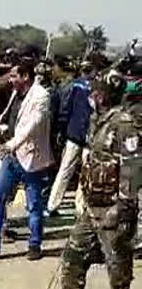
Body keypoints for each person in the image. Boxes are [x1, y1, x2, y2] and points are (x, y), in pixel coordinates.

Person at [40, 76, 141, 289]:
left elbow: (132, 169)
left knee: (118, 271)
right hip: (92, 210)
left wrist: (123, 209)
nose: (90, 97)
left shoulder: (124, 125)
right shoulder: (100, 121)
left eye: (94, 93)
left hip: (114, 212)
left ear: (102, 95)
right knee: (72, 257)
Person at [0, 62, 53, 260]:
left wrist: (11, 144)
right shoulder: (15, 94)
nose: (10, 80)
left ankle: (35, 244)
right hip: (12, 156)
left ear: (25, 76)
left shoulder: (40, 96)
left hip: (30, 157)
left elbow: (32, 126)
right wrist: (0, 128)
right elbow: (13, 119)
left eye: (13, 76)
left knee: (33, 203)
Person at [46, 60, 94, 215]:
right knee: (82, 173)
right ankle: (78, 207)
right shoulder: (94, 87)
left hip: (76, 134)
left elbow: (66, 109)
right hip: (85, 136)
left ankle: (53, 205)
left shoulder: (76, 86)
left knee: (67, 171)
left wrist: (62, 129)